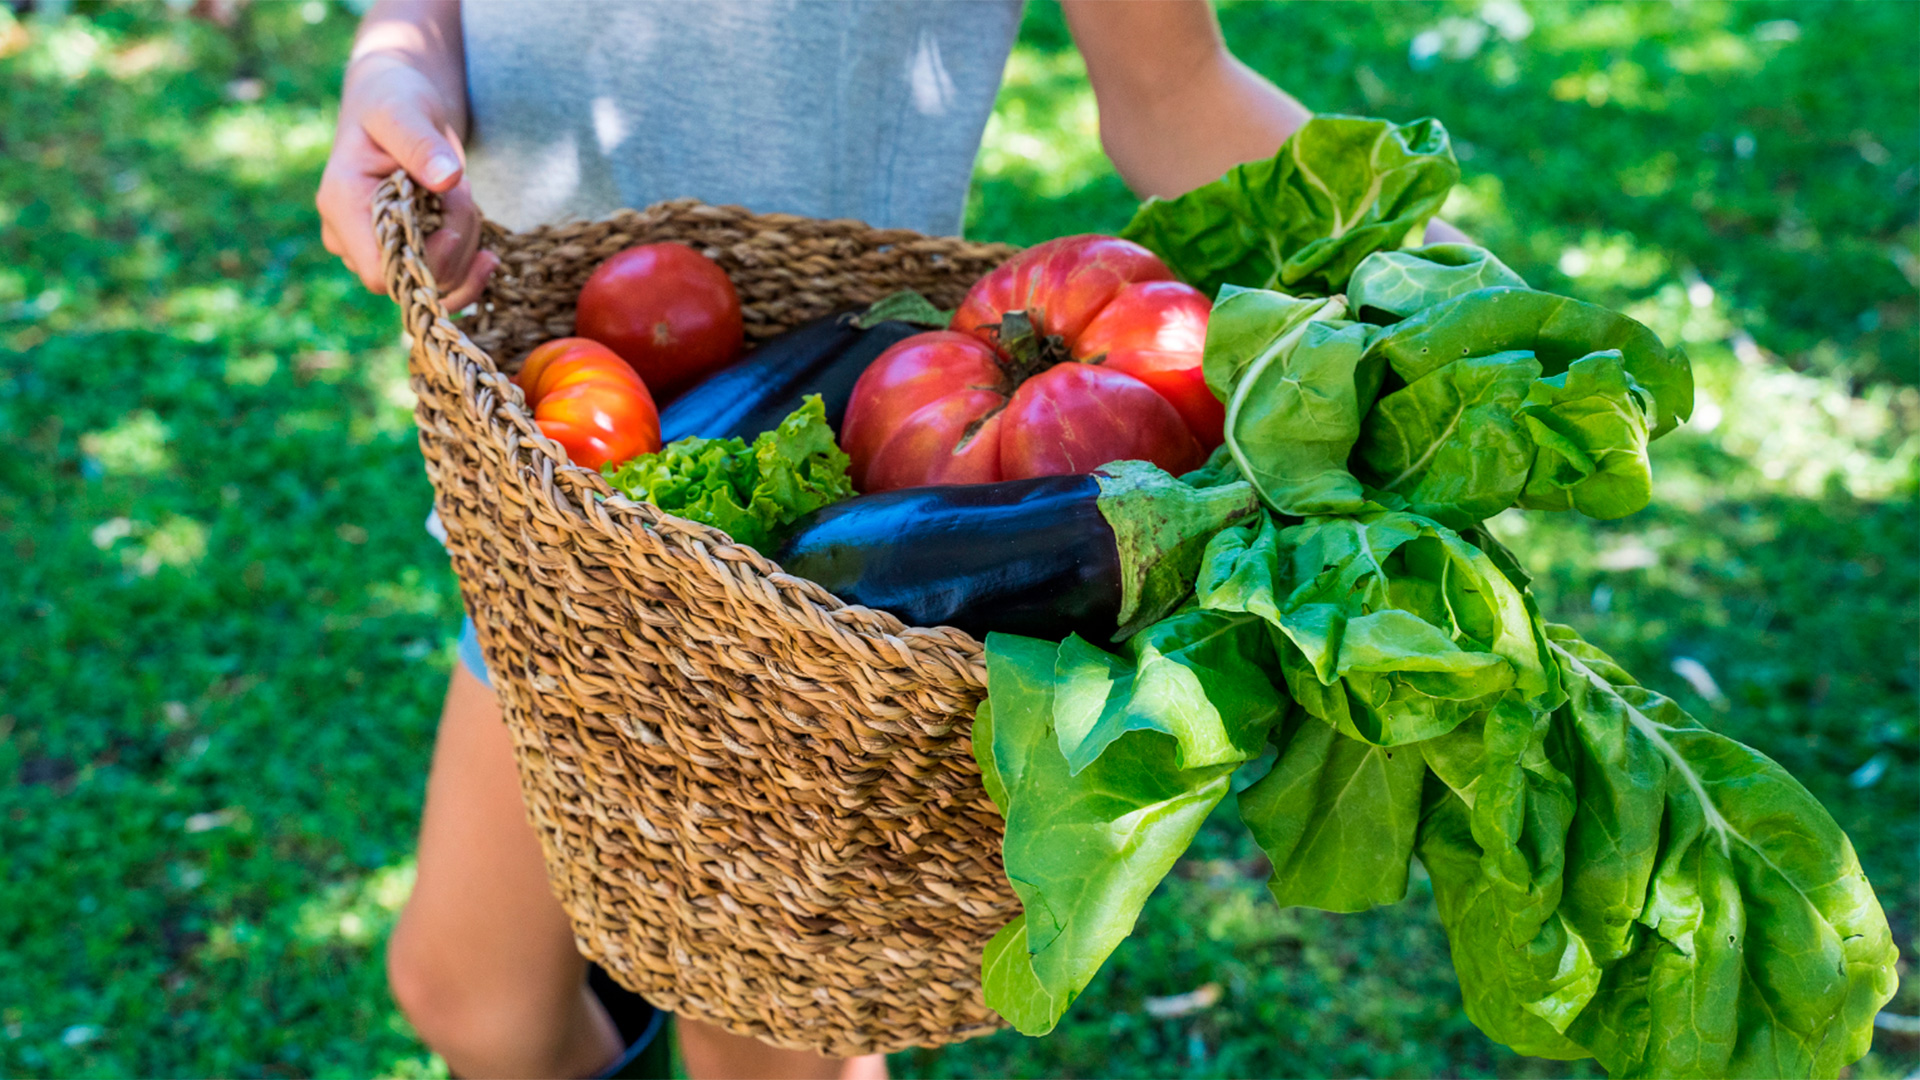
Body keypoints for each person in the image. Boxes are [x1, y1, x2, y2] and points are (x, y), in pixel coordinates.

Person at [317, 3, 1459, 1077]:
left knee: (762, 1037)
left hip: (813, 592)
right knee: (467, 993)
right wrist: (397, 65)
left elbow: (1173, 88)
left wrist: (1445, 286)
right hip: (555, 495)